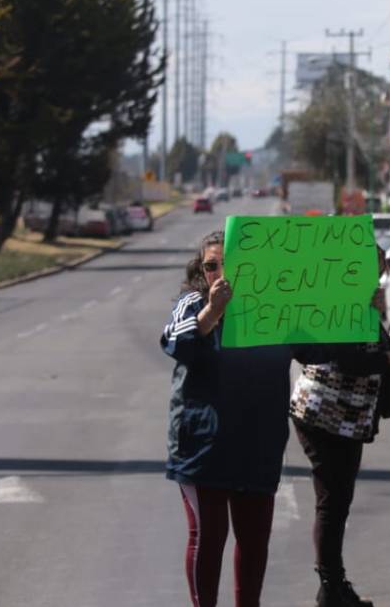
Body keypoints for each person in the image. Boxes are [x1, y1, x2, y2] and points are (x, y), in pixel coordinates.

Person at [160, 231, 294, 607]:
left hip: (259, 444)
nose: (219, 273)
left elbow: (317, 348)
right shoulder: (193, 302)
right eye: (210, 266)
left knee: (254, 541)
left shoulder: (274, 308)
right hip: (204, 448)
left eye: (227, 264)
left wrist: (359, 310)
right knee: (209, 536)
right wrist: (212, 312)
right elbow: (174, 342)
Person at [290, 245, 390, 607]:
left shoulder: (361, 302)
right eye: (374, 267)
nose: (380, 275)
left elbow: (365, 350)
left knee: (337, 500)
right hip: (326, 413)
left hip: (347, 416)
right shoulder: (337, 301)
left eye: (382, 268)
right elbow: (347, 358)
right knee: (332, 501)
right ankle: (331, 587)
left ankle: (333, 584)